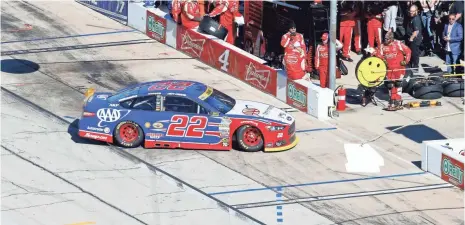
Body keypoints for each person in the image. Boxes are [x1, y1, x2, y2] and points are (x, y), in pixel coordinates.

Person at [373, 32, 412, 111]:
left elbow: (408, 51)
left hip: (399, 68)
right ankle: (392, 99)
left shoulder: (398, 44)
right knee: (390, 85)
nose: (385, 40)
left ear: (391, 39)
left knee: (398, 84)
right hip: (389, 69)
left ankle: (398, 100)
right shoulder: (382, 46)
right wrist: (382, 58)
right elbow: (377, 53)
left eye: (387, 39)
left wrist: (406, 60)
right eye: (385, 38)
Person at [406, 4, 423, 73]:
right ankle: (411, 65)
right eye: (410, 11)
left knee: (415, 54)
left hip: (415, 40)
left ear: (416, 11)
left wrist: (411, 38)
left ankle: (416, 67)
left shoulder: (416, 19)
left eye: (413, 11)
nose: (411, 13)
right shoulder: (412, 17)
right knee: (412, 53)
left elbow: (416, 31)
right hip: (412, 38)